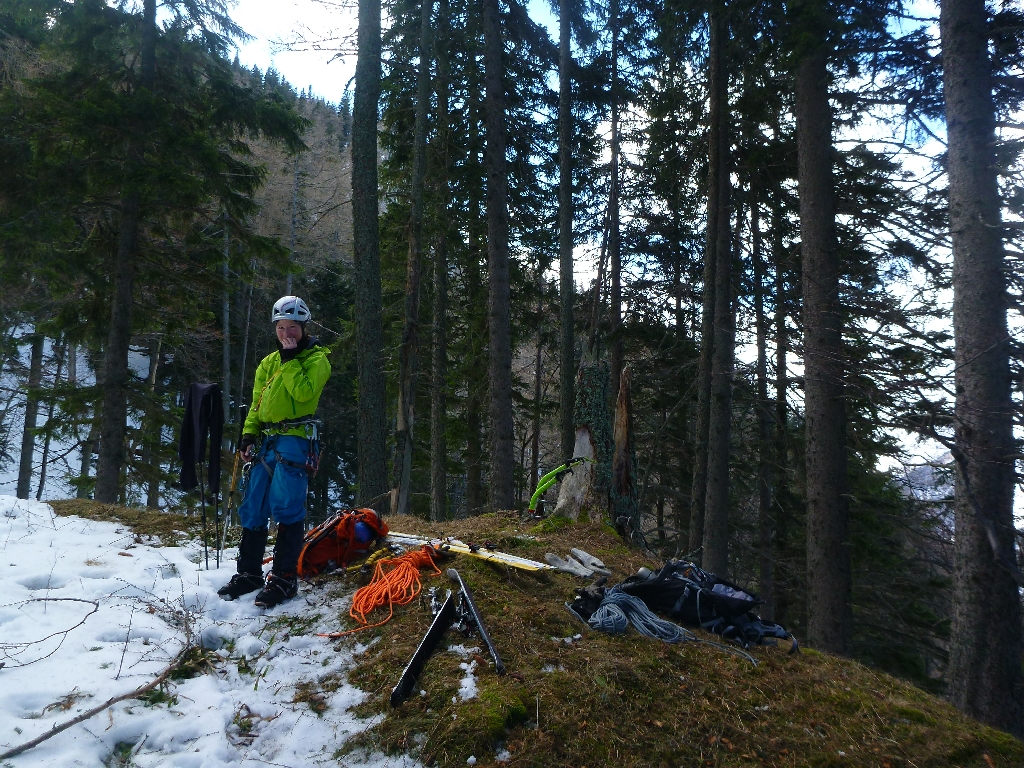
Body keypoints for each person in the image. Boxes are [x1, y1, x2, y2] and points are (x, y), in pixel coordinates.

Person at [218, 295, 331, 608]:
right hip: (267, 439)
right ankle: (249, 573)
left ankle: (284, 578)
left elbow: (304, 394)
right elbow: (257, 403)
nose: (286, 333)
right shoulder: (269, 362)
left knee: (286, 506)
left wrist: (291, 360)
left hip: (295, 437)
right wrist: (248, 434)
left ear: (303, 327)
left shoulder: (317, 360)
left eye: (292, 327)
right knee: (254, 505)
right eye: (281, 327)